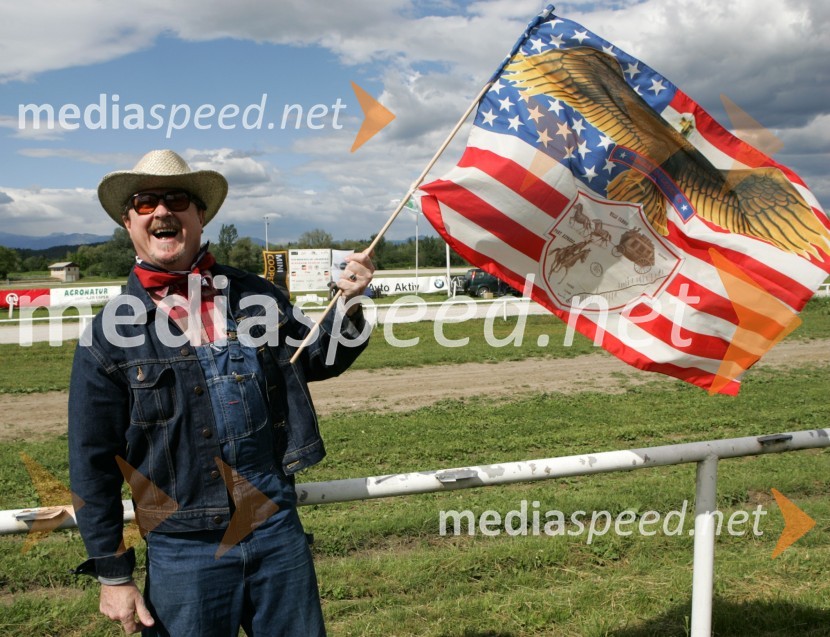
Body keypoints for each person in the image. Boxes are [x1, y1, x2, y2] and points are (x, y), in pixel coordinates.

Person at [68, 149, 374, 636]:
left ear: (200, 215)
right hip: (182, 547)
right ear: (129, 222)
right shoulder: (107, 335)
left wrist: (350, 304)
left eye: (176, 199)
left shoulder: (255, 296)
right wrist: (113, 573)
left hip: (273, 525)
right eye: (146, 203)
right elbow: (91, 463)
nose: (162, 211)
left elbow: (316, 359)